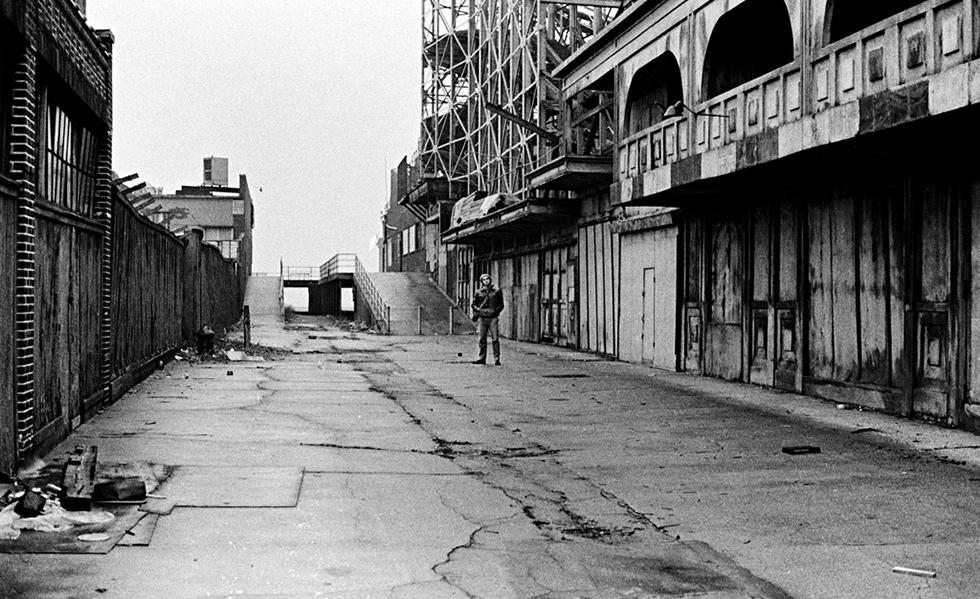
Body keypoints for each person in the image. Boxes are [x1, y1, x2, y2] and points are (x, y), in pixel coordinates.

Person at [471, 273, 504, 365]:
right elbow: (474, 304)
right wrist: (478, 310)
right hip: (482, 318)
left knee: (495, 339)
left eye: (487, 279)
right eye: (484, 279)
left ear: (490, 280)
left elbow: (501, 304)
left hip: (493, 318)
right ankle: (482, 358)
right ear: (482, 281)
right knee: (482, 339)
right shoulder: (478, 292)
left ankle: (496, 358)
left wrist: (495, 311)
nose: (486, 281)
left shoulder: (497, 291)